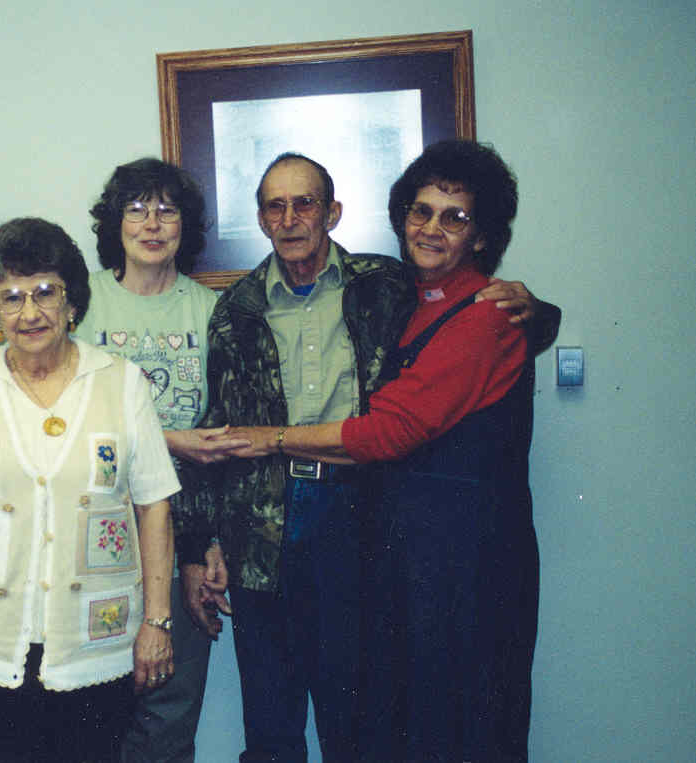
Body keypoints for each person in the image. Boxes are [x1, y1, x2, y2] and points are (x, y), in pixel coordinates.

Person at [175, 150, 560, 761]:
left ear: (333, 212)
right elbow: (216, 424)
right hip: (263, 525)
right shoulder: (237, 309)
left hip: (366, 523)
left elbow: (437, 366)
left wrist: (537, 312)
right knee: (273, 724)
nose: (291, 218)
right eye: (276, 206)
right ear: (262, 218)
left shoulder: (383, 286)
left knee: (369, 720)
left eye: (305, 203)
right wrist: (201, 543)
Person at [0, 217, 180, 762]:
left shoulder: (122, 383)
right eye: (10, 298)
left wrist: (156, 622)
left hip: (96, 643)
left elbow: (154, 507)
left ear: (71, 300)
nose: (29, 312)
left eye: (44, 292)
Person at [81, 157, 242, 762]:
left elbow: (222, 437)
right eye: (136, 209)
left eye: (167, 211)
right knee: (92, 710)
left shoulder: (213, 311)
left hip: (180, 536)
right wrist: (170, 440)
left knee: (169, 706)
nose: (152, 224)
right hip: (93, 537)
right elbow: (66, 424)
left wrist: (208, 545)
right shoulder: (80, 302)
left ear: (185, 226)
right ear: (114, 223)